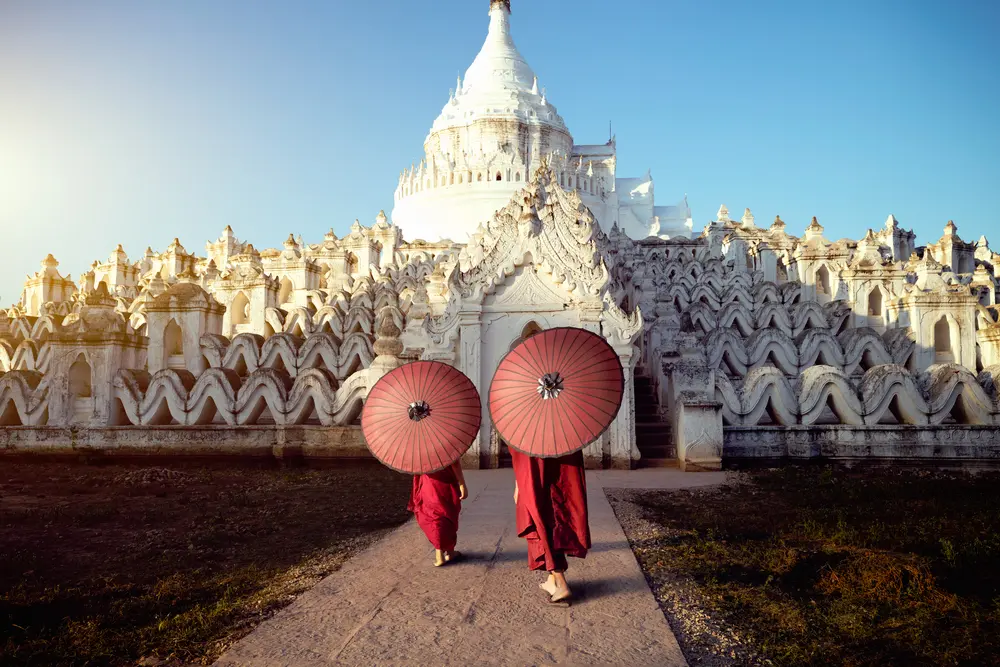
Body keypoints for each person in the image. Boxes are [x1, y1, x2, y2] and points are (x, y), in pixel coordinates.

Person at [511, 448, 591, 605]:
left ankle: (560, 582)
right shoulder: (566, 430)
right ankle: (552, 580)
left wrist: (518, 485)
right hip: (563, 474)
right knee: (557, 516)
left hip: (534, 467)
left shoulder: (525, 432)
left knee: (540, 519)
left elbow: (525, 463)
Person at [408, 459, 468, 567]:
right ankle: (441, 552)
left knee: (433, 515)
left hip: (427, 483)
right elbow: (455, 463)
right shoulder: (445, 444)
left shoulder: (419, 448)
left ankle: (447, 552)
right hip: (446, 484)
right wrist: (462, 484)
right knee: (448, 516)